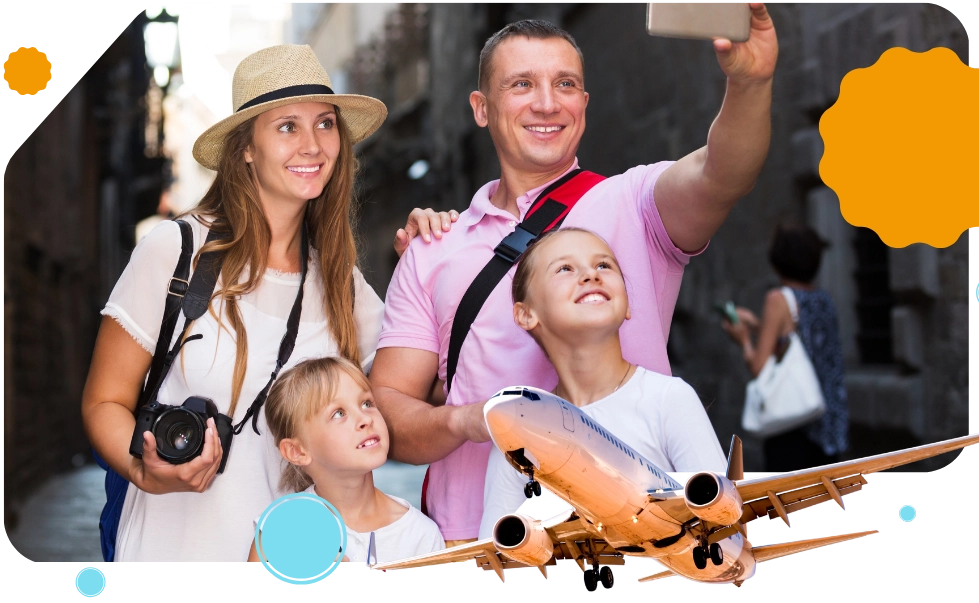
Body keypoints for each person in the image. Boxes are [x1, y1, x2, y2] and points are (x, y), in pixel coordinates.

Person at [372, 4, 777, 545]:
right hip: (478, 537)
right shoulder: (433, 247)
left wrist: (750, 85)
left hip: (630, 536)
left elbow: (723, 173)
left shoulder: (633, 203)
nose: (546, 102)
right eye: (521, 84)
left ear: (583, 106)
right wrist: (474, 421)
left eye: (565, 84)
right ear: (481, 108)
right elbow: (390, 416)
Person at [81, 44, 456, 566]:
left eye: (325, 124)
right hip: (171, 551)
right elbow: (103, 403)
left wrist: (434, 270)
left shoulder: (340, 283)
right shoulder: (176, 252)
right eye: (287, 127)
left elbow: (423, 387)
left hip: (297, 565)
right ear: (246, 149)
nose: (312, 145)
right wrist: (145, 471)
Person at [477, 228, 727, 539]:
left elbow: (726, 527)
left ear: (627, 306)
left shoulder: (668, 399)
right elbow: (498, 561)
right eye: (565, 268)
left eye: (604, 266)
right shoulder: (520, 431)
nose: (590, 275)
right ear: (526, 314)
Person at [248, 356, 443, 566]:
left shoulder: (421, 535)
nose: (366, 419)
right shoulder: (281, 529)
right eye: (339, 413)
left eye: (367, 403)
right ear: (296, 451)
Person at [720, 224, 849, 472]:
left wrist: (744, 339)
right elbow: (800, 342)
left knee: (789, 506)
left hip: (793, 425)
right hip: (828, 426)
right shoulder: (824, 299)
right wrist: (761, 327)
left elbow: (759, 367)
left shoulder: (778, 299)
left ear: (776, 261)